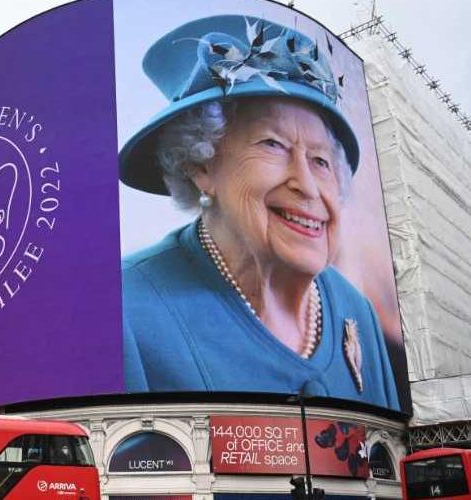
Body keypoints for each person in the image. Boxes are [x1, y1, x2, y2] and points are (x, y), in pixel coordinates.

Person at [119, 15, 400, 411]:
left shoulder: (357, 312)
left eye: (320, 160)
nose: (306, 183)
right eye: (272, 144)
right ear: (201, 165)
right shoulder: (128, 309)